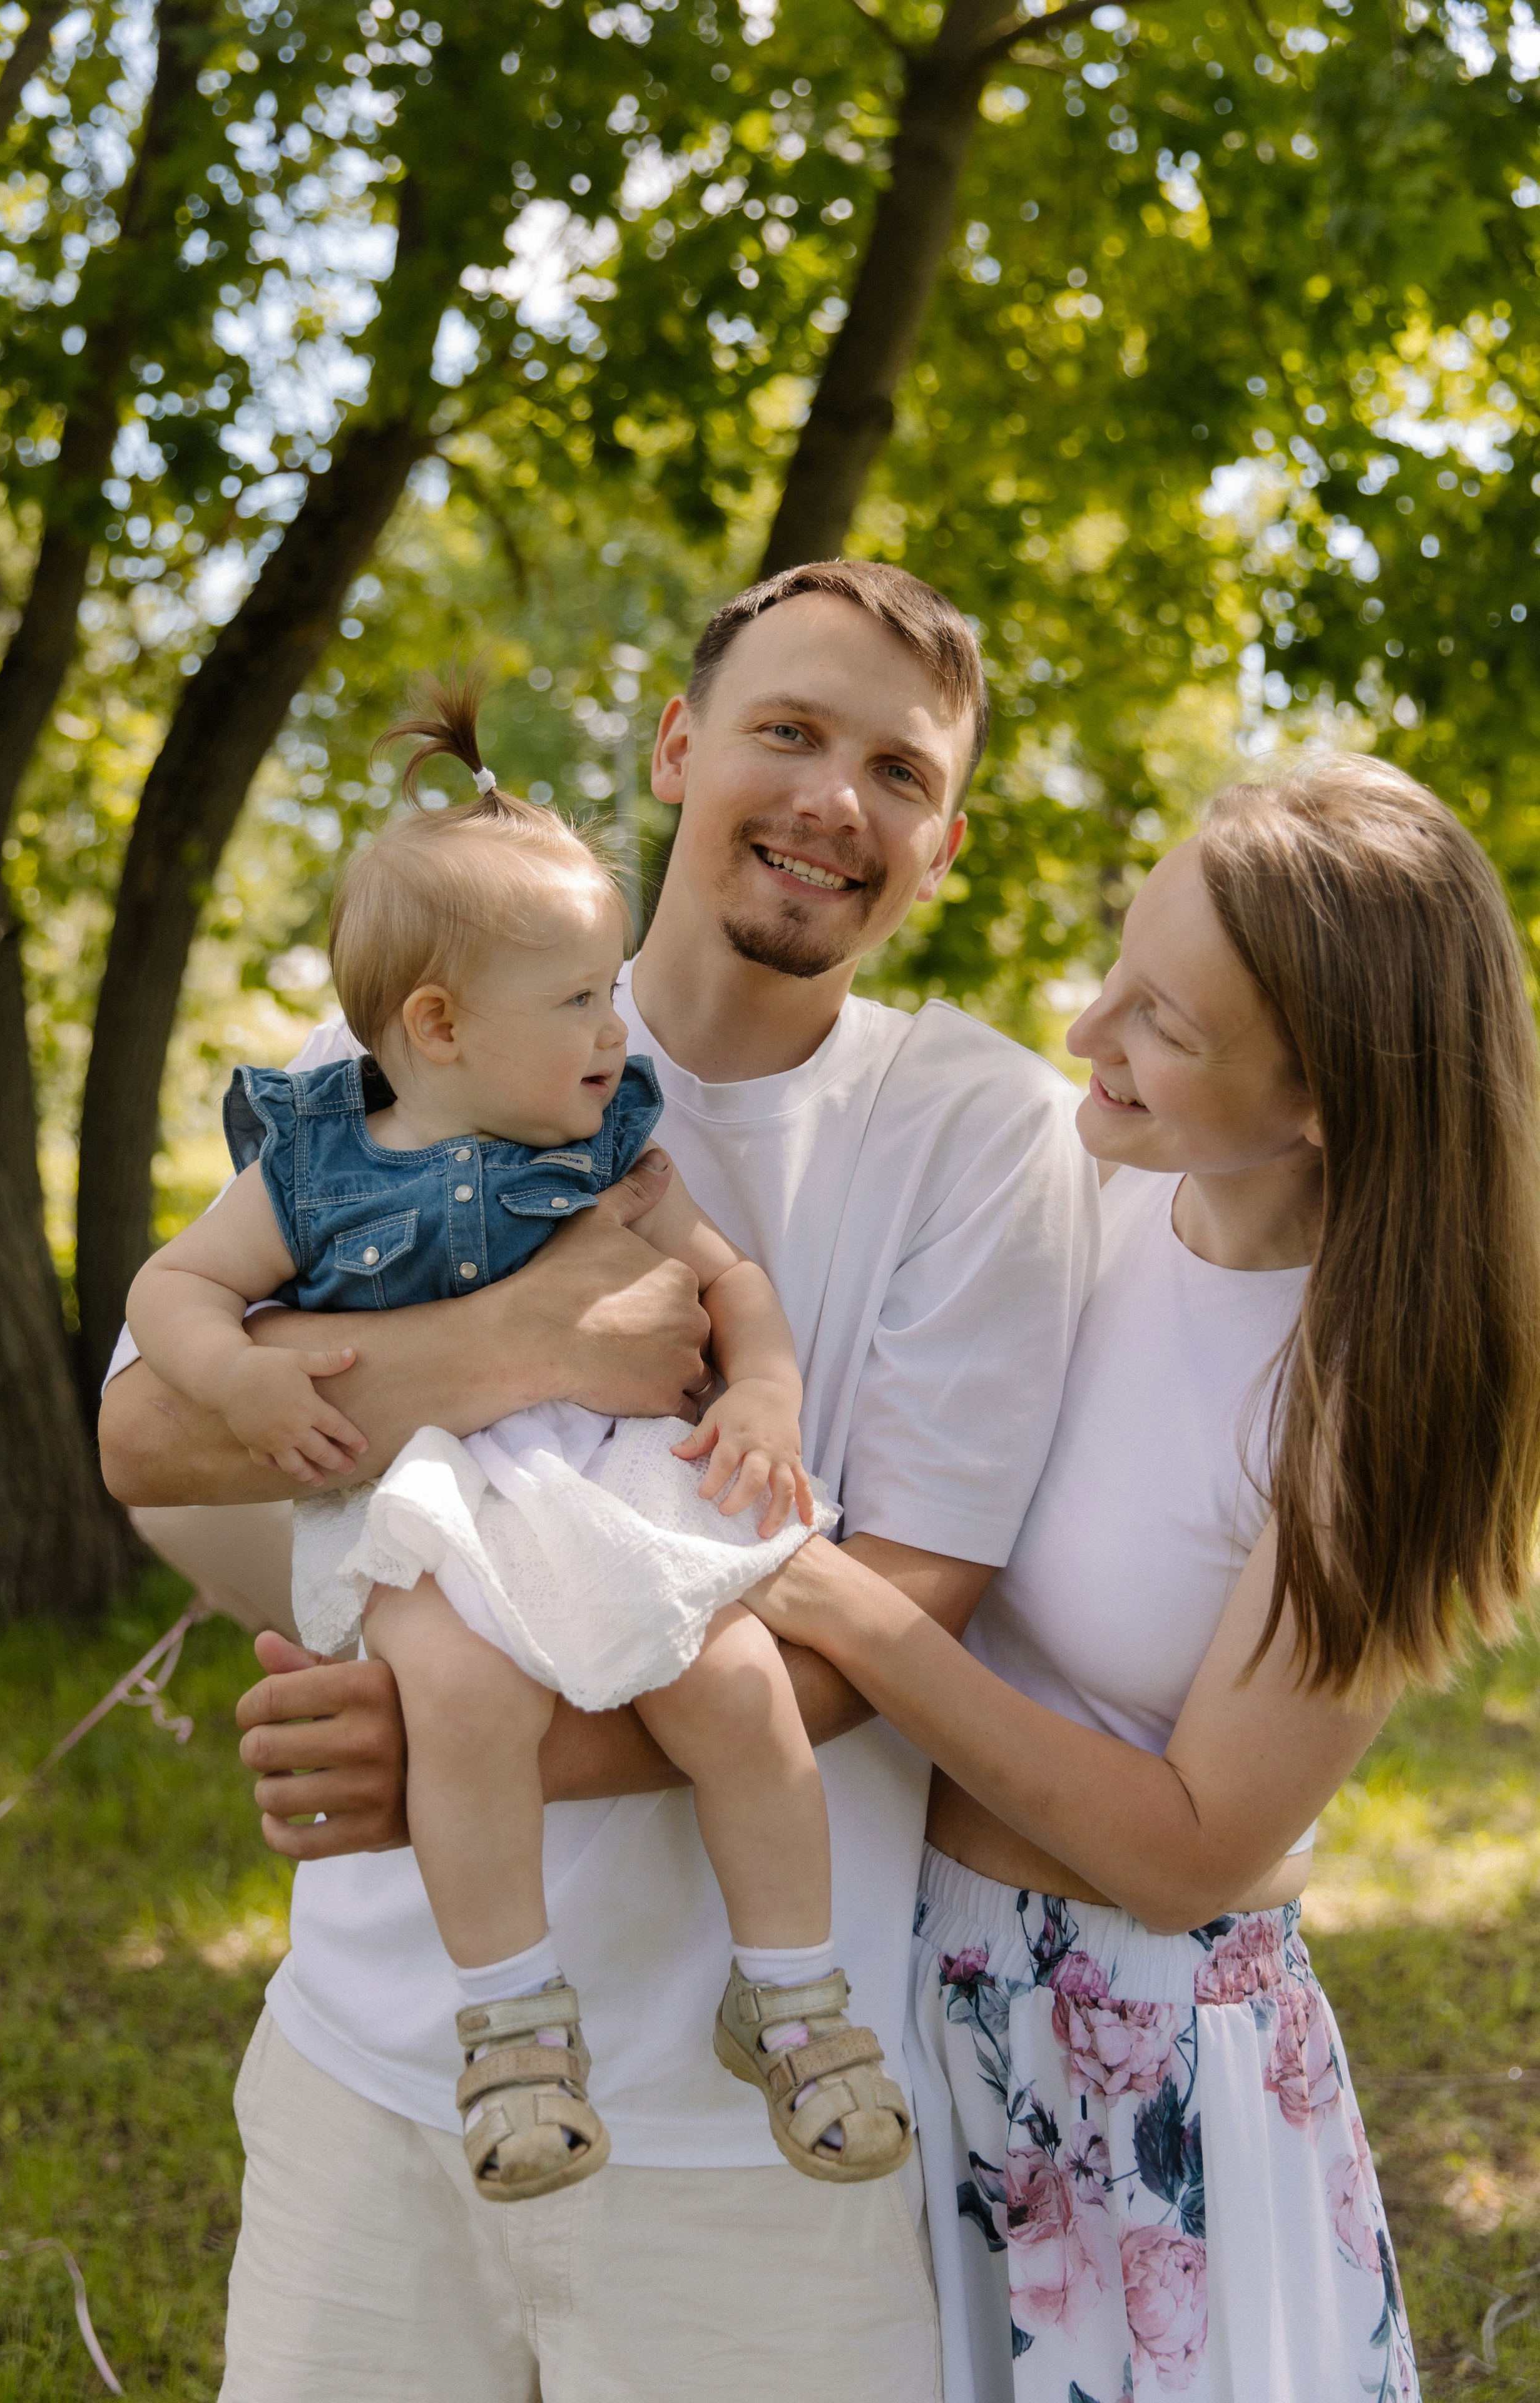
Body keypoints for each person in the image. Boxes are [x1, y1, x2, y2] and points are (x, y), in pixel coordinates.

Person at [99, 559, 1101, 2402]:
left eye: (897, 771)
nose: (831, 801)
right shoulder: (423, 1034)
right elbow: (153, 1431)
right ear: (676, 748)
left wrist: (453, 1745)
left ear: (945, 844)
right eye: (788, 732)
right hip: (378, 2073)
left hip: (753, 2145)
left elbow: (912, 1615)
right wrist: (545, 1349)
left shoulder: (981, 1134)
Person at [743, 757, 1540, 2401]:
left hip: (1126, 2060)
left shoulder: (1371, 1392)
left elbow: (1195, 1852)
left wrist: (841, 1610)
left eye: (1164, 1024)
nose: (1090, 1037)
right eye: (1118, 967)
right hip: (893, 1975)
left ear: (1323, 1094)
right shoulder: (1068, 1189)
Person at [125, 681, 910, 2201]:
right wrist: (237, 1380)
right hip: (424, 1494)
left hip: (606, 1477)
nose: (619, 1031)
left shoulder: (612, 1146)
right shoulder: (313, 1158)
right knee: (467, 1705)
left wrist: (760, 1394)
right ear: (438, 1026)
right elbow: (172, 1289)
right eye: (578, 1004)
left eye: (611, 994)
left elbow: (728, 1279)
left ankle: (794, 1999)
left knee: (736, 1680)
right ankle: (513, 2032)